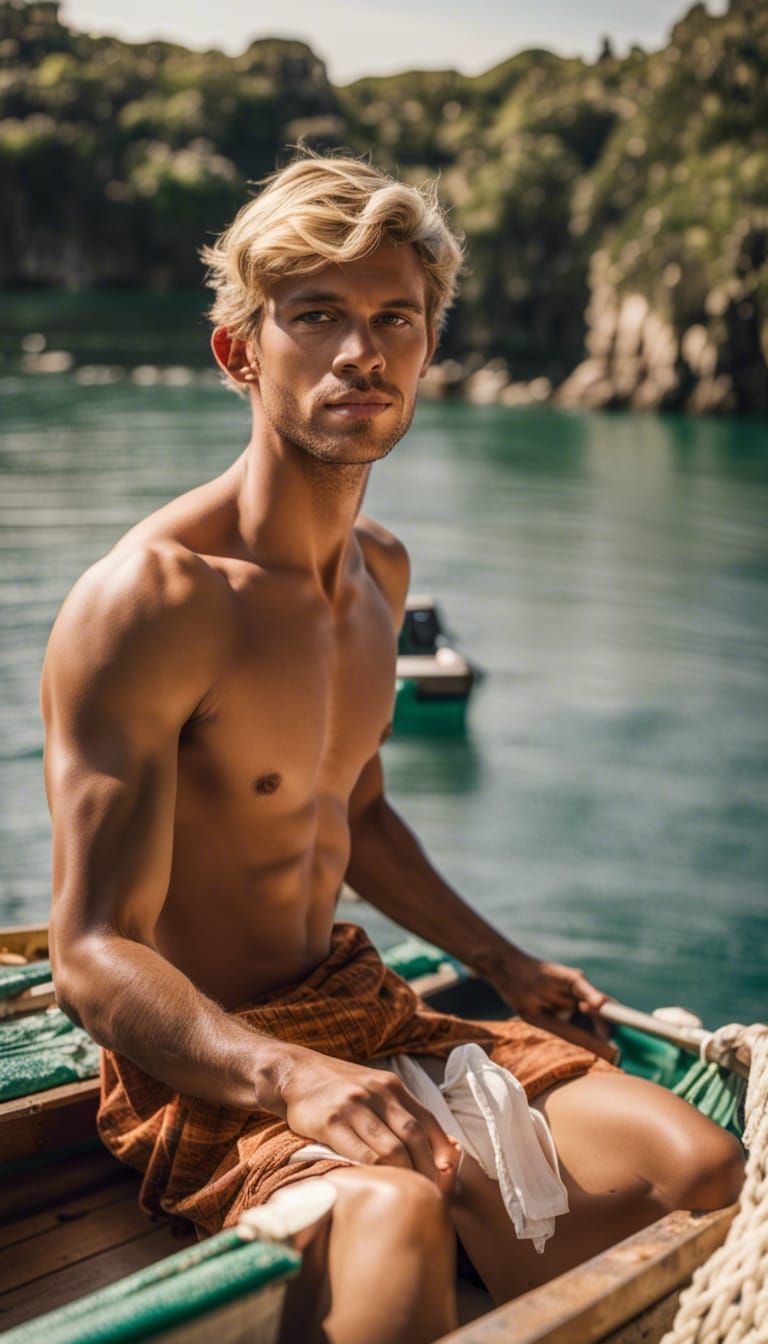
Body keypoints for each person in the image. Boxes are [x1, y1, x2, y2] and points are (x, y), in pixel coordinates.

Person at [41, 150, 744, 1344]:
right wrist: (291, 1080)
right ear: (240, 353)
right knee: (397, 1222)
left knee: (699, 1167)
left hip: (363, 1011)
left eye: (393, 320)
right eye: (316, 317)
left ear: (425, 351)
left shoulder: (379, 576)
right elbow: (93, 955)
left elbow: (354, 816)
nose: (360, 353)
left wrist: (503, 961)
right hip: (212, 1062)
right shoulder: (155, 600)